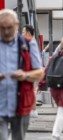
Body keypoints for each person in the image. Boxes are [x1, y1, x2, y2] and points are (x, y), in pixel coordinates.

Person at [0, 9, 44, 140]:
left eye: (9, 27)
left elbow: (40, 73)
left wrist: (24, 76)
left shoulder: (28, 44)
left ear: (17, 25)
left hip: (21, 103)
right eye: (2, 28)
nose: (6, 31)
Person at [22, 24, 39, 118]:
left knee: (31, 90)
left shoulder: (31, 42)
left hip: (29, 71)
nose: (22, 34)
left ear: (28, 33)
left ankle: (32, 110)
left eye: (23, 32)